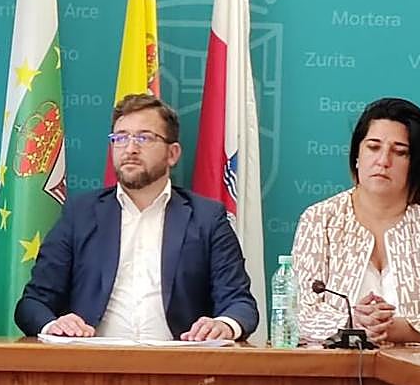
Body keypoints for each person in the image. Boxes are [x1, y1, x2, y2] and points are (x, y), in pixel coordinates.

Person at [15, 93, 259, 341]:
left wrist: (224, 325)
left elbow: (240, 303)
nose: (130, 149)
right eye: (120, 138)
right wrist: (55, 324)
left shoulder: (207, 218)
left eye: (144, 138)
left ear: (172, 153)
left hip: (181, 367)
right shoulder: (80, 215)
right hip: (92, 364)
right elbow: (32, 304)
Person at [292, 97, 420, 346]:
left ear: (417, 164)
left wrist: (389, 327)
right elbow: (299, 316)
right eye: (373, 147)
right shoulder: (320, 219)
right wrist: (353, 322)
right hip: (333, 375)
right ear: (357, 154)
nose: (383, 161)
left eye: (399, 152)